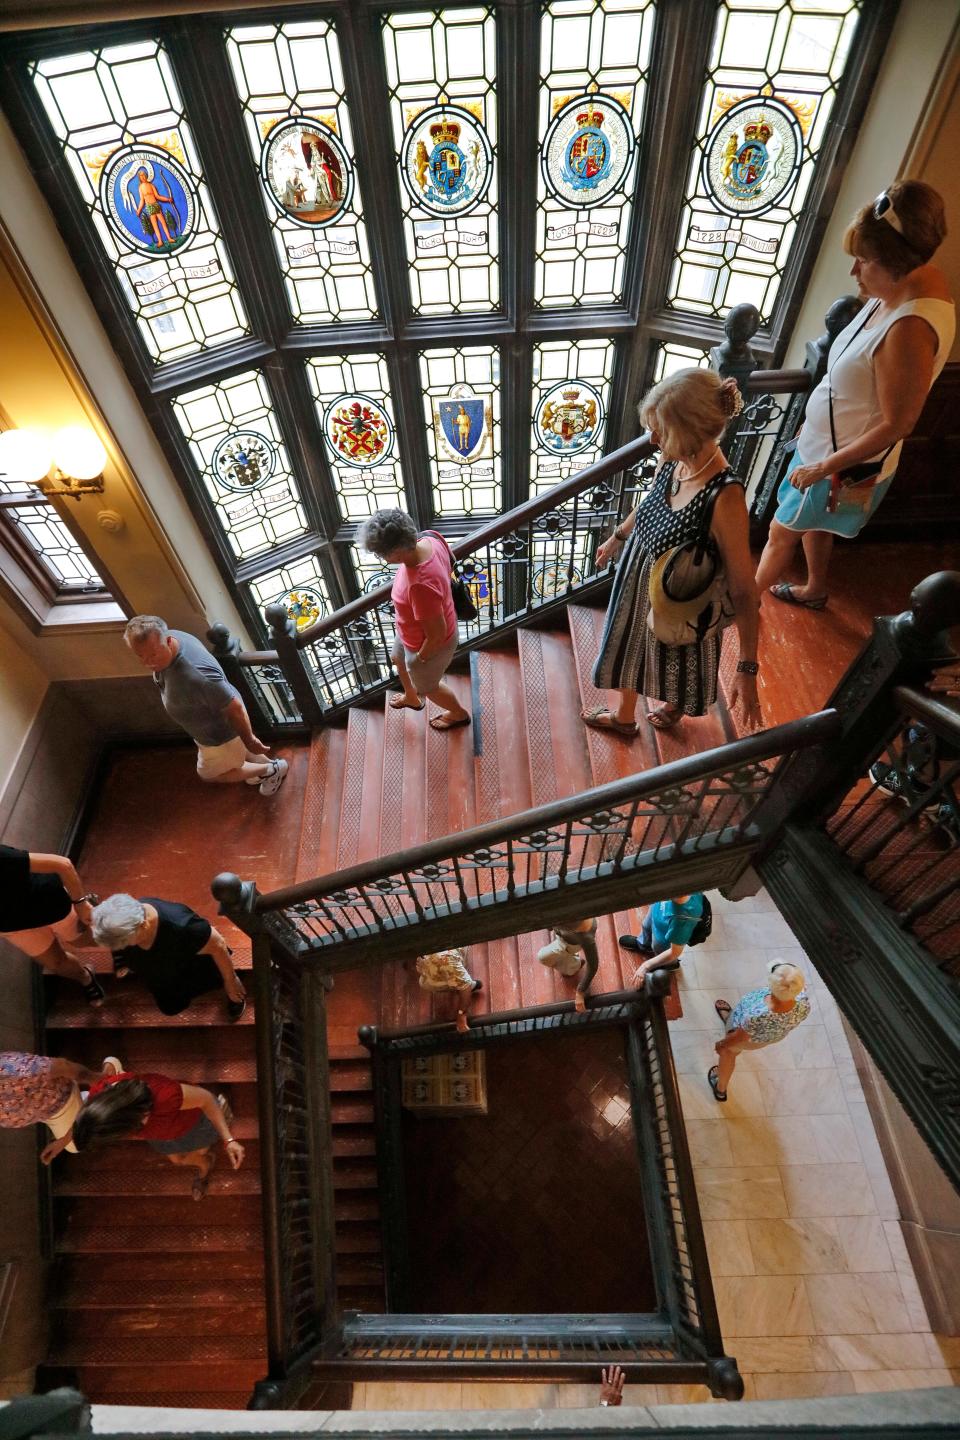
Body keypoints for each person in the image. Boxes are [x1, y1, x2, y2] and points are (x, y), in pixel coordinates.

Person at [756, 181, 955, 610]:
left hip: (835, 465)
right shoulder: (906, 286)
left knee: (779, 533)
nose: (854, 272)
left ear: (900, 263)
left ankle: (735, 608)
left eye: (863, 261)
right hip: (824, 450)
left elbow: (898, 423)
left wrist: (822, 467)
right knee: (816, 526)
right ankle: (815, 589)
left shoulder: (909, 330)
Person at [585, 369, 761, 736]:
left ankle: (674, 704)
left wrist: (747, 668)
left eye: (661, 431)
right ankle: (624, 717)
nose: (652, 439)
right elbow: (651, 500)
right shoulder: (674, 460)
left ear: (688, 433)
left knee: (677, 657)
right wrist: (619, 536)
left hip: (681, 594)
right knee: (629, 650)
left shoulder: (725, 496)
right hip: (640, 576)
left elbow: (744, 589)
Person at [123, 615, 287, 795]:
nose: (148, 662)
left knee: (208, 774)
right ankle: (268, 765)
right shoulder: (174, 636)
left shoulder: (197, 677)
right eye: (140, 656)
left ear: (168, 641)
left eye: (153, 654)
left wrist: (250, 739)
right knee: (241, 752)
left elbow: (234, 708)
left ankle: (270, 771)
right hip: (215, 728)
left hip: (220, 737)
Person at [49, 1070, 244, 1200]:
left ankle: (207, 1159)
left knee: (198, 1148)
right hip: (163, 1134)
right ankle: (205, 1161)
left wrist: (228, 1140)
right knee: (177, 1160)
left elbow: (206, 1100)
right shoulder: (102, 1098)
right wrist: (63, 1141)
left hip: (194, 1123)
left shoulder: (166, 1096)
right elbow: (87, 1121)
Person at [356, 510, 470, 732]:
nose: (383, 559)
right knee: (398, 658)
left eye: (381, 554)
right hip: (412, 629)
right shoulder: (430, 538)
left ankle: (458, 714)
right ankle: (412, 697)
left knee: (429, 686)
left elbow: (436, 635)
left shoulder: (420, 585)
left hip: (428, 644)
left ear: (396, 552)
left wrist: (419, 660)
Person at [90, 893, 247, 1021]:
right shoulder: (124, 917)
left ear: (143, 925)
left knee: (209, 983)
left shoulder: (184, 928)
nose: (120, 947)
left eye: (123, 943)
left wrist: (231, 980)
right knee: (170, 1006)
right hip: (156, 969)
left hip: (185, 964)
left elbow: (218, 944)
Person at [0, 843, 104, 1004]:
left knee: (86, 940)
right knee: (58, 964)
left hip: (48, 903)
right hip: (13, 925)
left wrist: (81, 904)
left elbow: (62, 864)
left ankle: (121, 946)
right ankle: (86, 977)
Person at [708, 959, 810, 1102]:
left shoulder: (758, 1015)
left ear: (772, 987)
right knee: (736, 1025)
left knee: (729, 1053)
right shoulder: (803, 1002)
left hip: (745, 1035)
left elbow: (740, 1037)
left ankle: (720, 1088)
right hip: (767, 1036)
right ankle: (731, 1018)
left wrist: (722, 1044)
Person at [2, 1051, 122, 1154]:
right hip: (39, 1110)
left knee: (77, 1142)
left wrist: (98, 1079)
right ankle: (87, 1100)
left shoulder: (13, 1071)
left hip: (61, 1099)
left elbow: (63, 1066)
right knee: (75, 1143)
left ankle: (111, 1077)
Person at [619, 893, 704, 985]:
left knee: (659, 949)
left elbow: (674, 952)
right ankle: (644, 944)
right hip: (657, 911)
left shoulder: (683, 920)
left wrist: (646, 966)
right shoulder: (671, 892)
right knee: (646, 926)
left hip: (662, 941)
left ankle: (669, 965)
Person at [537, 918, 599, 1009]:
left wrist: (580, 991)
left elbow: (593, 966)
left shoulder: (586, 937)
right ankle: (572, 963)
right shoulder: (571, 923)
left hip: (569, 945)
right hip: (563, 936)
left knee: (542, 957)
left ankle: (575, 965)